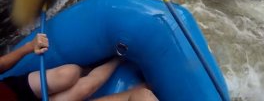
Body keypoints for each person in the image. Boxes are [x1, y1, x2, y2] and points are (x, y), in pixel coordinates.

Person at [0, 34, 158, 101]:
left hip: (13, 92)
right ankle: (134, 86)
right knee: (85, 88)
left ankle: (116, 59)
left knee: (69, 73)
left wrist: (28, 47)